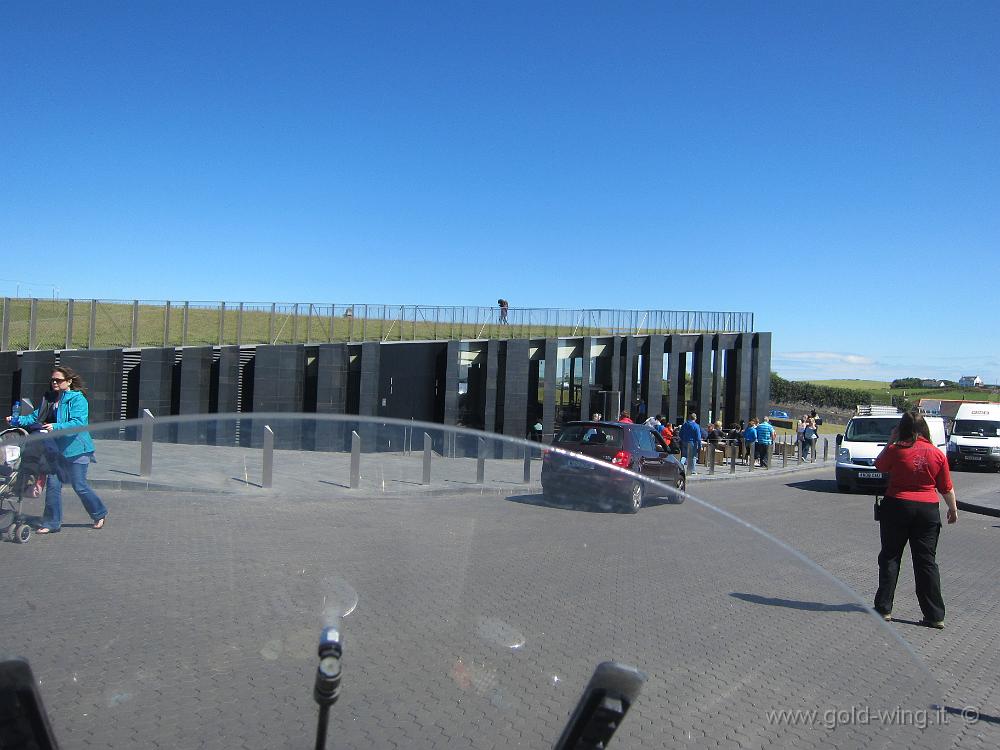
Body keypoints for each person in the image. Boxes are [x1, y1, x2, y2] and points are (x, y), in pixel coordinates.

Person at [873, 411, 958, 628]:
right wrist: (952, 509)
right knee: (926, 561)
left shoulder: (896, 450)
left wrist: (891, 440)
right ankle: (935, 614)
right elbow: (946, 487)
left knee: (891, 556)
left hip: (897, 505)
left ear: (901, 429)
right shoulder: (937, 453)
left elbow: (879, 465)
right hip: (927, 508)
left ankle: (884, 609)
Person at [8, 366, 109, 534]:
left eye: (58, 380)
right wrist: (16, 420)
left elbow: (78, 423)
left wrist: (56, 426)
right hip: (56, 452)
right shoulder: (49, 398)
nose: (54, 382)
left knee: (79, 485)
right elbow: (35, 417)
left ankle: (99, 513)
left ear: (68, 381)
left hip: (77, 450)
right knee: (53, 486)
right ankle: (52, 522)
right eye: (53, 380)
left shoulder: (77, 399)